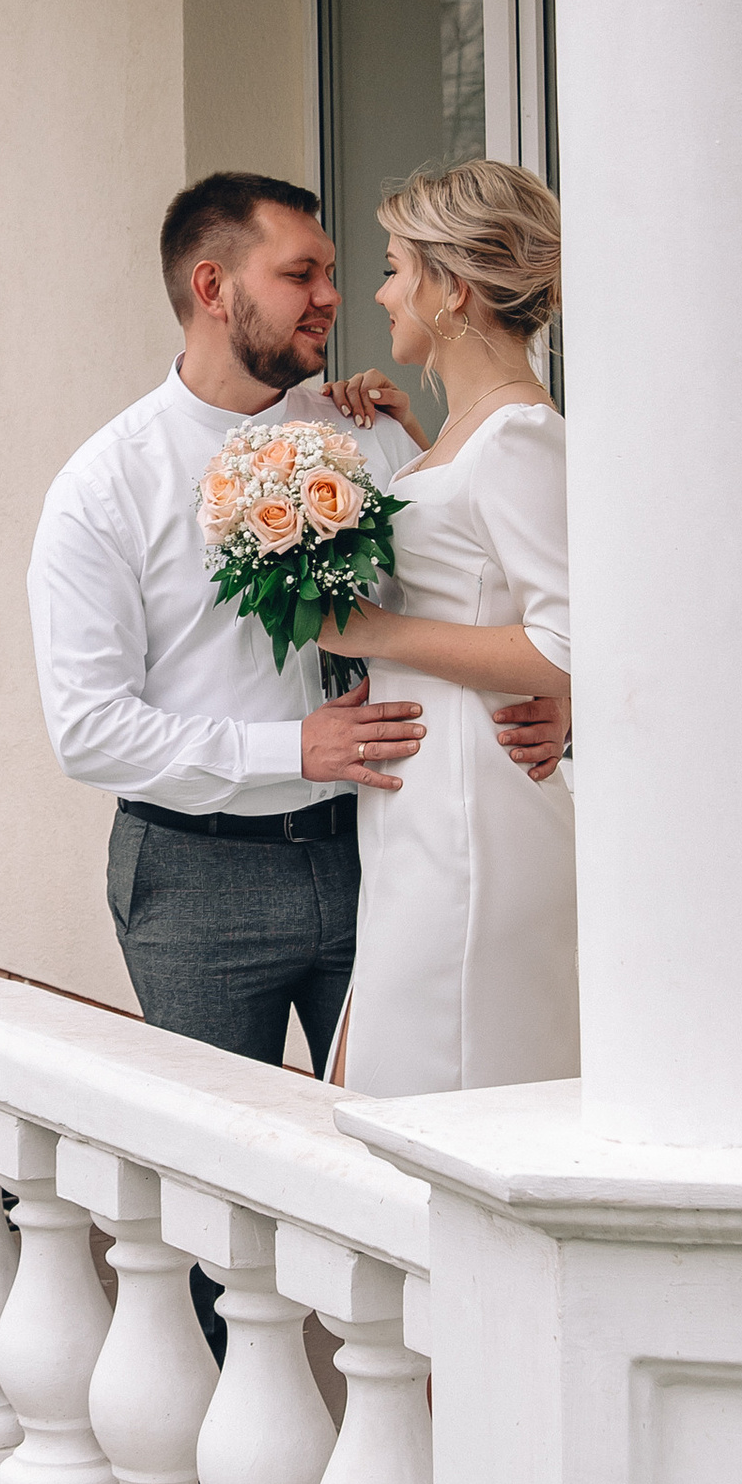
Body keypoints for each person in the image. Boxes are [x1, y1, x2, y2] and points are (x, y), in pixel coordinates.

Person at [28, 172, 566, 1073]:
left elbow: (478, 582)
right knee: (212, 1158)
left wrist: (546, 696)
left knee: (398, 1114)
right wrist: (293, 750)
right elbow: (87, 730)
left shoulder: (374, 434)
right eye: (300, 274)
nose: (334, 296)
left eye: (339, 270)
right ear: (213, 288)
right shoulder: (104, 488)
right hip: (202, 878)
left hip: (383, 845)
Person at [321, 158, 577, 1095]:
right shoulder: (472, 432)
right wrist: (408, 446)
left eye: (396, 266)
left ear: (452, 287)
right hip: (422, 803)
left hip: (473, 815)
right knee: (387, 1078)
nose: (381, 292)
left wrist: (374, 633)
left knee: (434, 1088)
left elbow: (564, 642)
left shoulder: (519, 438)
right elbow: (475, 567)